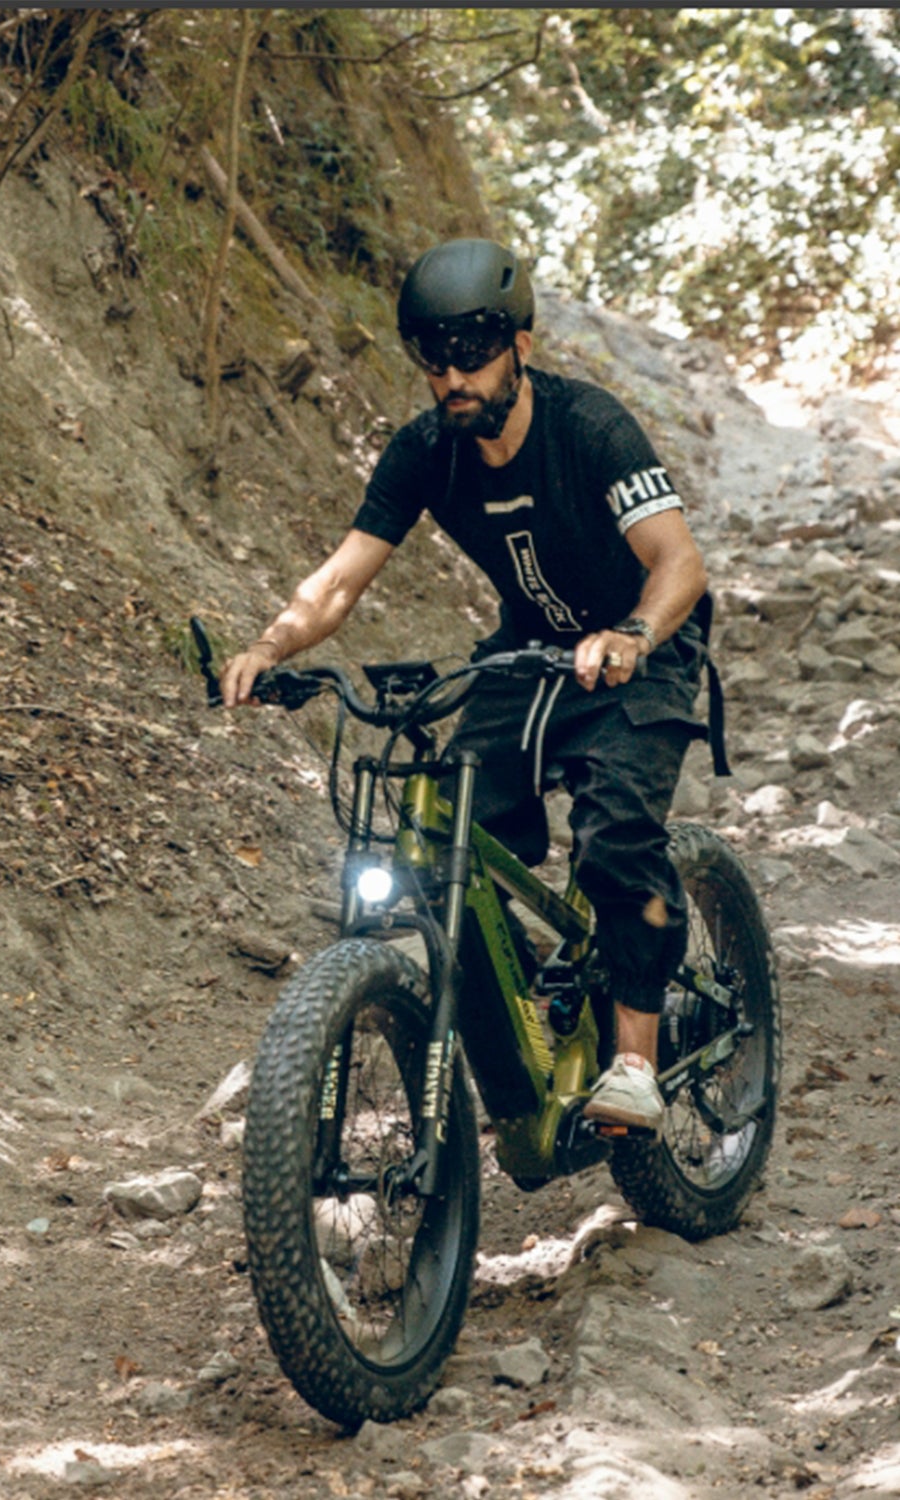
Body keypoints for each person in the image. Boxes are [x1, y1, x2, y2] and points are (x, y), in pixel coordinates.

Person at [221, 237, 724, 1138]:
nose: (451, 376)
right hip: (528, 657)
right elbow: (338, 583)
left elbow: (678, 562)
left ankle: (637, 1062)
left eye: (471, 354)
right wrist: (271, 646)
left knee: (613, 836)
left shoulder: (592, 427)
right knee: (439, 836)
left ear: (520, 349)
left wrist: (634, 635)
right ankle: (531, 1001)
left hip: (639, 652)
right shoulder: (426, 452)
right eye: (432, 357)